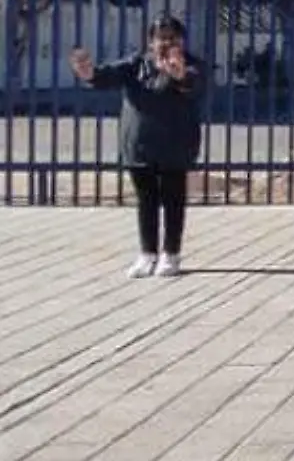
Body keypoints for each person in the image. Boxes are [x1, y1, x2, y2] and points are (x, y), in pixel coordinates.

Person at [70, 16, 204, 279]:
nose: (166, 43)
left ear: (182, 41)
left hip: (175, 144)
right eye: (160, 37)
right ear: (150, 42)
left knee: (173, 200)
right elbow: (105, 75)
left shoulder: (193, 65)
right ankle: (147, 254)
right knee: (146, 201)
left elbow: (196, 85)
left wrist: (178, 75)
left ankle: (171, 254)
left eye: (172, 37)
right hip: (140, 145)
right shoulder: (135, 65)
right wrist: (88, 72)